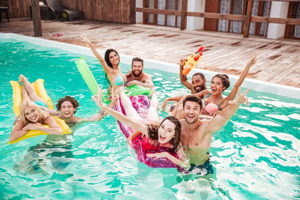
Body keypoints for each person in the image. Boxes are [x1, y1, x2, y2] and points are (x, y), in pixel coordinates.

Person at [92, 88, 188, 168]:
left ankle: (153, 94)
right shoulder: (152, 132)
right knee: (131, 109)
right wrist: (104, 107)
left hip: (153, 123)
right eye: (162, 127)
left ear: (174, 134)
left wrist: (166, 155)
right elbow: (126, 120)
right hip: (145, 123)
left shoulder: (176, 142)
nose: (163, 133)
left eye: (169, 131)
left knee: (152, 109)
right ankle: (122, 91)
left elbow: (185, 164)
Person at [179, 90, 249, 176]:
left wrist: (237, 103)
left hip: (202, 167)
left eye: (195, 108)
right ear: (183, 109)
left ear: (200, 110)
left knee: (205, 189)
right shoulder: (177, 126)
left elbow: (222, 117)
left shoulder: (205, 127)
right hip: (183, 166)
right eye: (188, 108)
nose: (191, 112)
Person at [172, 55, 256, 118]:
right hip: (190, 117)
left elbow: (237, 86)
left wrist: (248, 66)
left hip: (201, 125)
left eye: (218, 84)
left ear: (223, 87)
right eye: (212, 82)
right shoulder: (206, 93)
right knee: (177, 108)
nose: (213, 86)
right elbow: (186, 98)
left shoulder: (224, 101)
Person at [9, 75, 62, 143]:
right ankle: (22, 84)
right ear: (25, 115)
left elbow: (58, 131)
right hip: (27, 106)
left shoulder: (45, 116)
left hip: (39, 105)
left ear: (37, 110)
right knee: (25, 96)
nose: (31, 115)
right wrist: (27, 128)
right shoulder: (23, 120)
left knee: (32, 93)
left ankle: (24, 79)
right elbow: (11, 138)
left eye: (33, 111)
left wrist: (38, 128)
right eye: (27, 114)